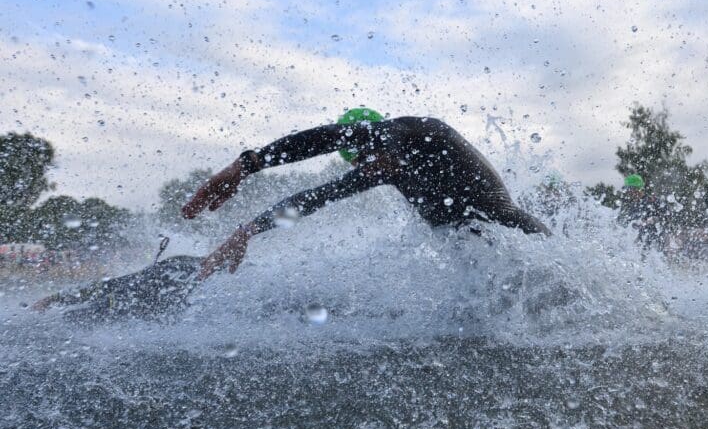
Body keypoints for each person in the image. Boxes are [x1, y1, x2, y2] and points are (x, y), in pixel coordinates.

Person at [183, 109, 551, 280]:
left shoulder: (420, 130)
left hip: (519, 235)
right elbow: (313, 198)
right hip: (478, 259)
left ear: (372, 134)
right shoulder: (380, 169)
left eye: (368, 152)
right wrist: (247, 230)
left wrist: (248, 164)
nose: (366, 165)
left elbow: (332, 136)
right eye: (359, 160)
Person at [617, 174, 662, 250]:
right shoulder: (633, 207)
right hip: (641, 246)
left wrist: (652, 220)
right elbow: (631, 226)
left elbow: (665, 217)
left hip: (655, 244)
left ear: (638, 189)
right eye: (628, 190)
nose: (629, 192)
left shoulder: (653, 201)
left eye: (630, 189)